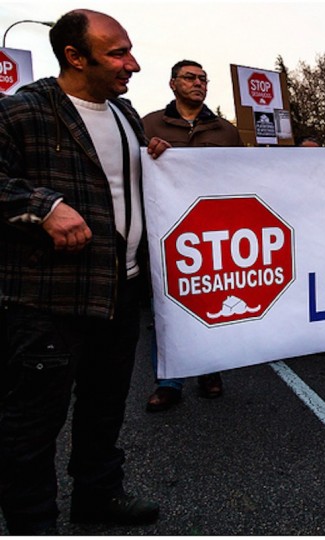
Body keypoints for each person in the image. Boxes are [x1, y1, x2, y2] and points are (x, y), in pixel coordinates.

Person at [0, 9, 169, 534]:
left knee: (104, 409)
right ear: (74, 56)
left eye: (129, 49)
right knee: (30, 428)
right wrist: (42, 205)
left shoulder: (124, 113)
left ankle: (99, 496)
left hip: (121, 292)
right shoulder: (22, 111)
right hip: (48, 304)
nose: (132, 64)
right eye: (117, 53)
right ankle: (35, 524)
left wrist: (155, 157)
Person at [142, 59, 244, 412]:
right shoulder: (148, 124)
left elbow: (242, 179)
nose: (199, 83)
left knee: (214, 300)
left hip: (214, 231)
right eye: (190, 77)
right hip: (166, 231)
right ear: (173, 84)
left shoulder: (227, 132)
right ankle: (169, 379)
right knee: (166, 306)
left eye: (203, 78)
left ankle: (209, 370)